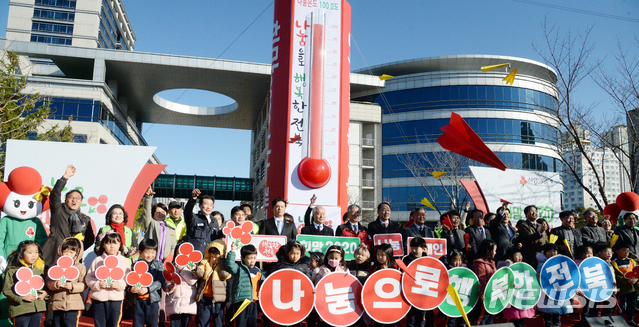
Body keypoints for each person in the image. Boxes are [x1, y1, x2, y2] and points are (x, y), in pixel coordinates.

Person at [42, 164, 94, 267]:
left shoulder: (85, 219)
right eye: (71, 197)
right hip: (53, 255)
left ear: (81, 202)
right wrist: (65, 177)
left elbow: (90, 239)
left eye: (78, 198)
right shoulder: (59, 210)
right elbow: (55, 194)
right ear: (66, 200)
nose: (74, 200)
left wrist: (77, 248)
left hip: (73, 259)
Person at [86, 232, 131, 327]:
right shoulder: (97, 260)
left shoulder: (124, 261)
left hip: (116, 299)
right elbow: (89, 277)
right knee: (99, 324)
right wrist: (98, 284)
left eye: (115, 243)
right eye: (109, 243)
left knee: (114, 324)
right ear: (103, 244)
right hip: (98, 299)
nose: (112, 246)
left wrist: (118, 285)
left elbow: (127, 279)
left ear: (120, 245)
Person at [2, 240, 47, 327]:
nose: (34, 255)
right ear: (21, 254)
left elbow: (45, 286)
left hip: (37, 309)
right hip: (20, 309)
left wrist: (46, 293)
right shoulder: (12, 271)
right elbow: (6, 290)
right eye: (30, 252)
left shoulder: (39, 270)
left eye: (36, 252)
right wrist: (22, 297)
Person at [45, 238, 86, 327]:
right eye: (65, 251)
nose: (68, 254)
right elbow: (48, 282)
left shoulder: (80, 267)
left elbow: (84, 284)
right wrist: (55, 284)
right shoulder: (54, 266)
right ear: (61, 251)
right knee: (57, 324)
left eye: (71, 252)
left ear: (77, 253)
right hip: (57, 304)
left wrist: (72, 286)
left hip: (74, 305)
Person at [226, 243, 264, 327]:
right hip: (241, 301)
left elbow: (265, 281)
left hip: (253, 302)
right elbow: (230, 265)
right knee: (240, 323)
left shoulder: (257, 270)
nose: (252, 261)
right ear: (242, 258)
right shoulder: (239, 268)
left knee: (252, 323)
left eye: (254, 258)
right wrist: (232, 251)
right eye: (249, 258)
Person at [129, 239, 165, 327]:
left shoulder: (158, 265)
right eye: (147, 252)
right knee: (137, 324)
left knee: (152, 324)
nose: (150, 255)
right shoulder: (134, 265)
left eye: (153, 252)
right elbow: (129, 281)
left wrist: (148, 289)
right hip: (137, 301)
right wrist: (131, 289)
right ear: (140, 252)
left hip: (152, 302)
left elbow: (161, 281)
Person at [195, 240, 230, 327]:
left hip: (219, 300)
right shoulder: (205, 263)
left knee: (218, 323)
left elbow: (225, 275)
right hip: (205, 298)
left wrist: (222, 261)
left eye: (216, 257)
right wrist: (194, 268)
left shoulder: (224, 265)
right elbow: (200, 273)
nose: (214, 259)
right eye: (211, 256)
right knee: (203, 322)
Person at [537, 243, 572, 327]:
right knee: (547, 310)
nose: (552, 253)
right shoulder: (542, 264)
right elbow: (540, 278)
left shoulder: (562, 262)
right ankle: (548, 324)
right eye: (549, 251)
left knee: (557, 309)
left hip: (559, 290)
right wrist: (542, 288)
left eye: (554, 251)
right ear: (544, 252)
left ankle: (557, 324)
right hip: (547, 291)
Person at [164, 243, 199, 327]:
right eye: (178, 252)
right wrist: (169, 287)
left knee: (186, 324)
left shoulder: (191, 267)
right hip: (174, 303)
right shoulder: (171, 267)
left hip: (187, 303)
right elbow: (166, 283)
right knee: (174, 324)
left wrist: (182, 270)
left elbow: (192, 281)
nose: (180, 255)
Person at [498, 247, 534, 327]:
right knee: (514, 318)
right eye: (517, 255)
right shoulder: (506, 267)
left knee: (520, 319)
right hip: (512, 296)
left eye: (520, 255)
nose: (520, 257)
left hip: (522, 296)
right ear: (510, 257)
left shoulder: (524, 267)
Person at [142, 186, 177, 262]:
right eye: (158, 212)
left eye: (163, 212)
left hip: (165, 262)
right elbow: (146, 212)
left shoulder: (171, 229)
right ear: (153, 214)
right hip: (150, 260)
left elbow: (173, 247)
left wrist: (169, 260)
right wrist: (148, 197)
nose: (160, 214)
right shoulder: (151, 224)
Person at [403, 237, 430, 327]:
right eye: (412, 248)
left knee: (421, 318)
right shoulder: (406, 260)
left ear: (424, 249)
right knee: (411, 318)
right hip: (410, 294)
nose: (414, 250)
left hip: (423, 294)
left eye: (416, 248)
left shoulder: (429, 261)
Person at [612, 242, 639, 326]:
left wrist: (636, 279)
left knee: (631, 305)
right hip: (622, 288)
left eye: (627, 251)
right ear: (617, 251)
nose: (626, 253)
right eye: (623, 251)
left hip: (632, 288)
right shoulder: (614, 263)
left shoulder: (632, 261)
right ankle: (619, 321)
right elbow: (615, 275)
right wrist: (626, 280)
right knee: (621, 305)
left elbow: (637, 271)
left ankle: (630, 320)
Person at [184, 189, 220, 253]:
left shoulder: (215, 222)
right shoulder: (194, 218)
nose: (208, 207)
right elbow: (187, 212)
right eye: (206, 204)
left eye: (210, 205)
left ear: (213, 207)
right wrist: (193, 199)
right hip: (194, 256)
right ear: (200, 205)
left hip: (208, 258)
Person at [471, 239, 497, 325]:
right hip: (484, 297)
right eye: (494, 250)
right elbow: (482, 280)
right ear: (488, 251)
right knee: (483, 318)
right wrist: (483, 294)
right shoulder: (479, 263)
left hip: (492, 296)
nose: (495, 253)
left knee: (490, 317)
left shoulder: (492, 262)